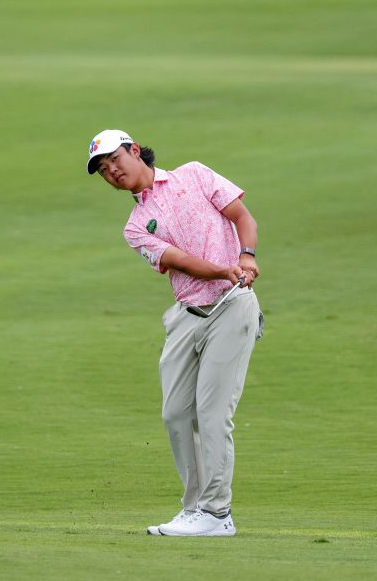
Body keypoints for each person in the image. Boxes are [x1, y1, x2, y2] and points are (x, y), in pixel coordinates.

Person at [87, 129, 263, 538]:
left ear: (134, 151)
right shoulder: (134, 228)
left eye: (115, 160)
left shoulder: (195, 174)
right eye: (103, 170)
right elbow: (178, 259)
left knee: (213, 412)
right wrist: (223, 267)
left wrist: (246, 256)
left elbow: (242, 217)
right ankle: (195, 510)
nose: (111, 171)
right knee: (176, 413)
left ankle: (217, 513)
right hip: (188, 314)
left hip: (232, 305)